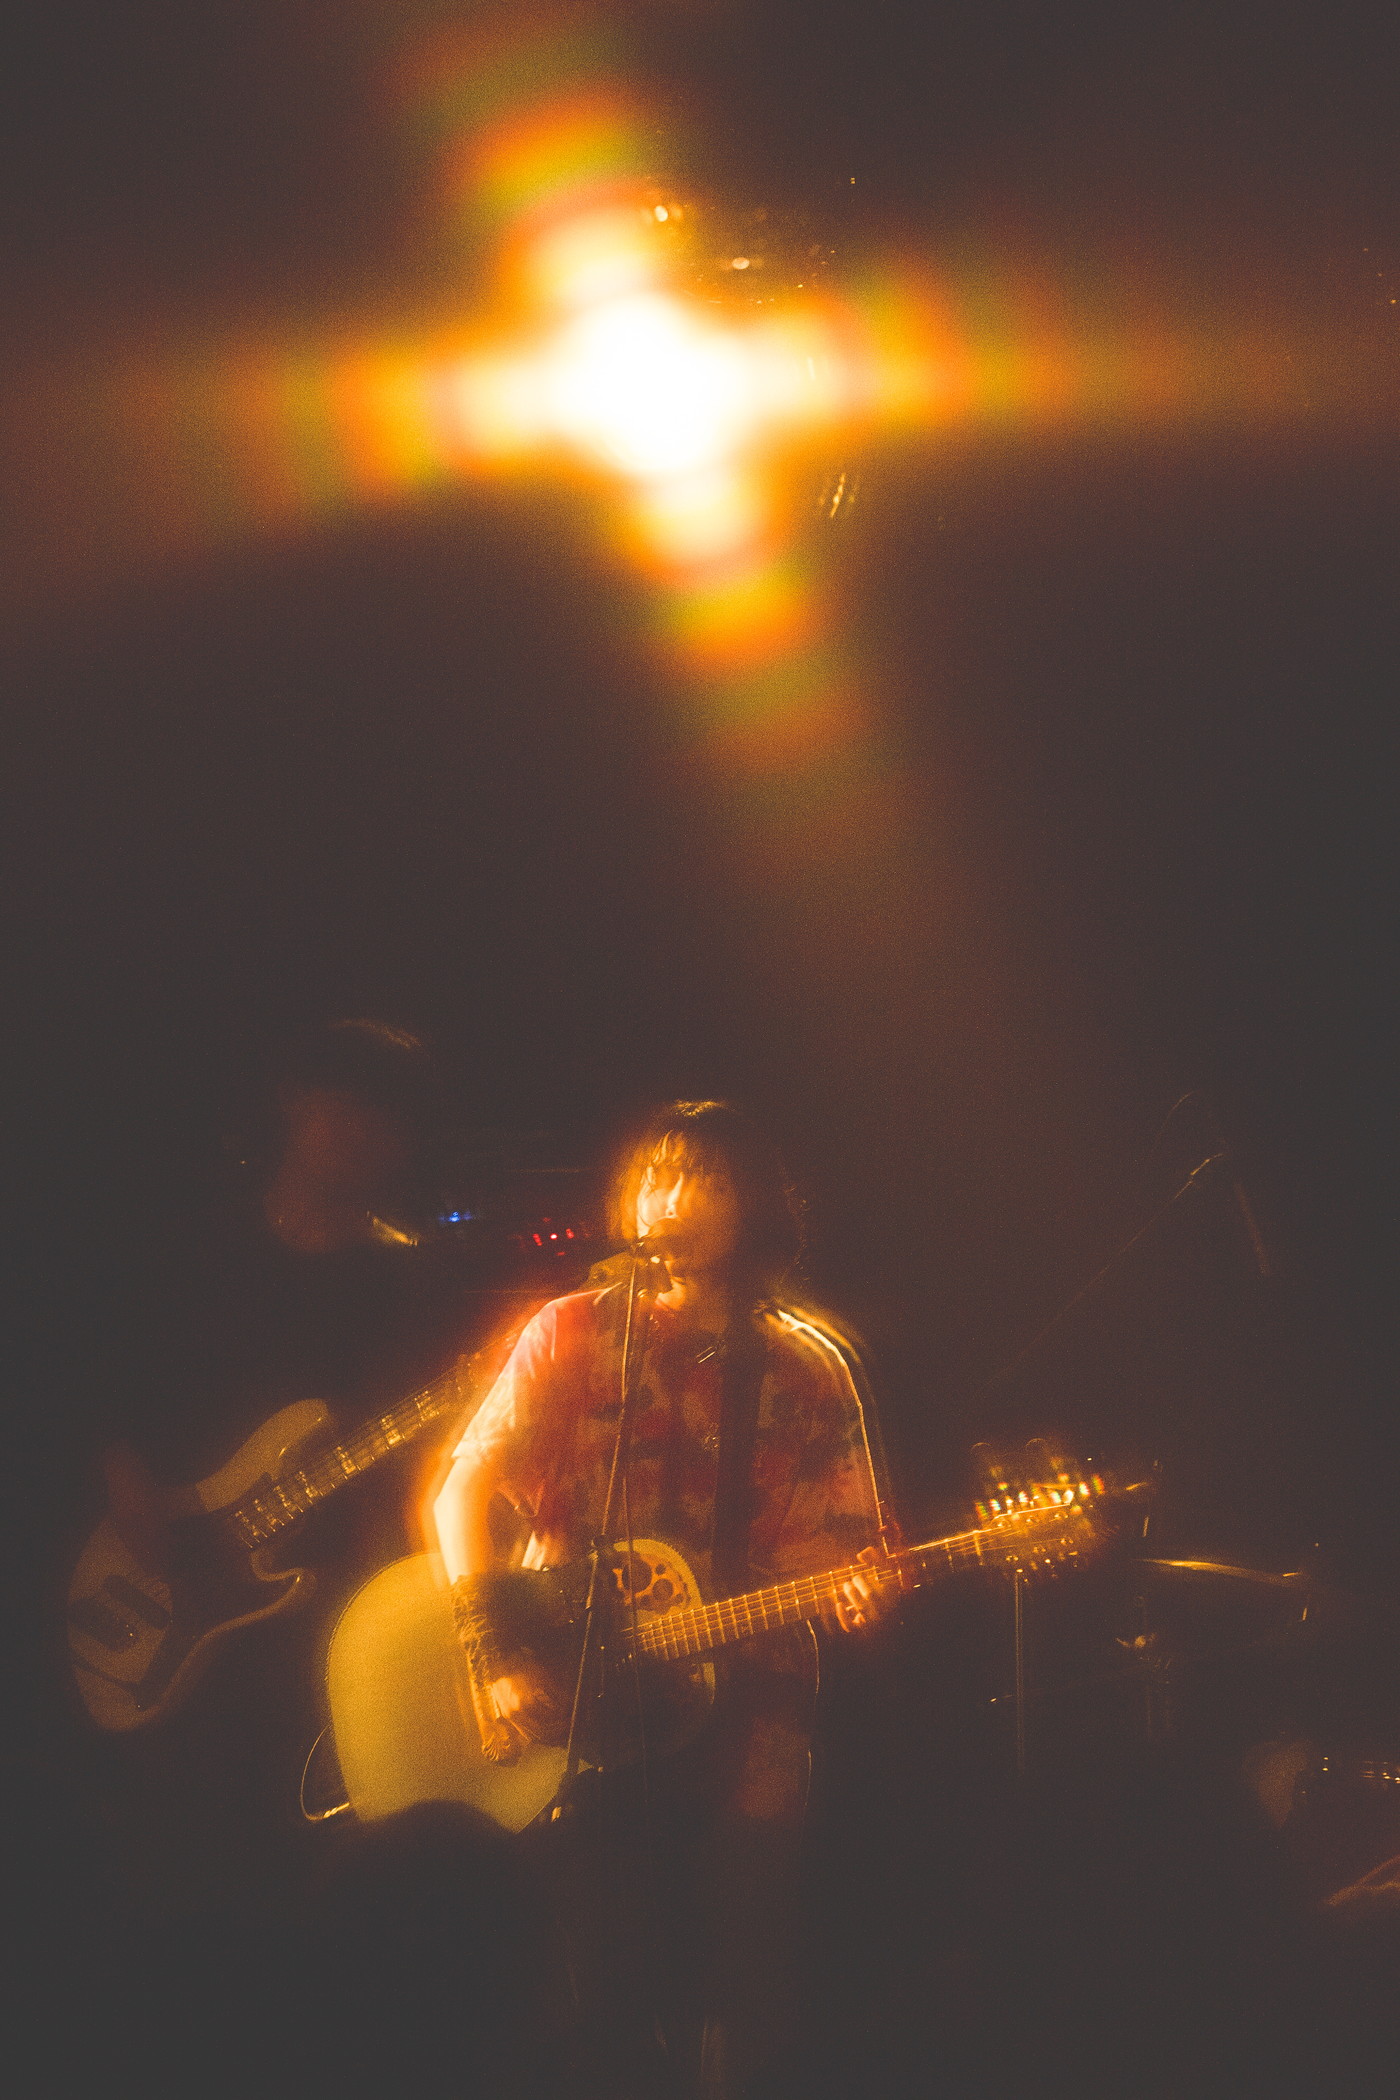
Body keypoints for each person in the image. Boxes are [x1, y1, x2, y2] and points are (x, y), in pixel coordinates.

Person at [432, 1100, 898, 2098]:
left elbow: (847, 1547)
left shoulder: (806, 1368)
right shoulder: (569, 1332)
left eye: (705, 1179)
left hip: (749, 1721)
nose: (672, 1199)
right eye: (657, 1175)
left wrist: (862, 1595)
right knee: (578, 1980)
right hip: (577, 1704)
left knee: (743, 1982)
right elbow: (458, 1493)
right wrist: (493, 1652)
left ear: (754, 1204)